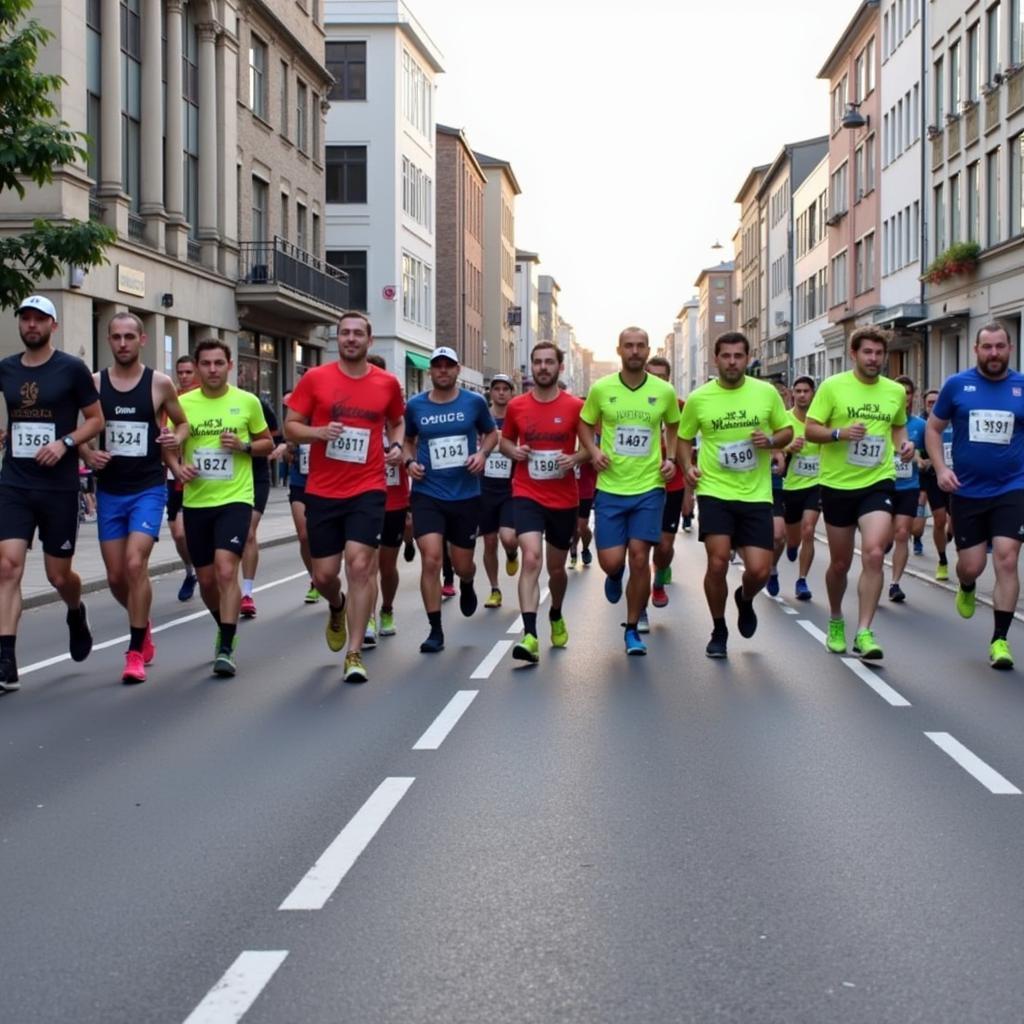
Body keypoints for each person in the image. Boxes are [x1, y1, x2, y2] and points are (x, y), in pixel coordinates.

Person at [285, 312, 405, 683]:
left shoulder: (387, 383)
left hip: (368, 488)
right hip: (322, 489)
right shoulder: (316, 378)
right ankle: (336, 605)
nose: (351, 339)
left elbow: (397, 420)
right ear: (337, 339)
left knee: (358, 565)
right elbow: (290, 426)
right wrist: (318, 432)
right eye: (344, 333)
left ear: (370, 341)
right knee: (323, 574)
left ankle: (354, 652)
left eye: (358, 334)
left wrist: (397, 444)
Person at [0, 295, 104, 690]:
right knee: (7, 566)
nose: (31, 325)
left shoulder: (71, 369)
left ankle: (75, 611)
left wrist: (64, 442)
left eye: (39, 320)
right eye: (25, 319)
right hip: (14, 482)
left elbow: (96, 420)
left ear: (52, 327)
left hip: (58, 485)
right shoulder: (6, 369)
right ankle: (6, 659)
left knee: (58, 575)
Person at [80, 312, 188, 684]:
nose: (122, 343)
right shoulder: (94, 383)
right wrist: (88, 455)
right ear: (108, 340)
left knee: (134, 563)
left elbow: (182, 421)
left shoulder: (159, 383)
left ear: (142, 340)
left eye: (129, 337)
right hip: (110, 490)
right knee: (114, 576)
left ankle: (134, 651)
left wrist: (176, 437)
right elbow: (82, 431)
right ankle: (143, 622)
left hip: (147, 487)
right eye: (116, 337)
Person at [678, 332, 791, 658]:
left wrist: (770, 441)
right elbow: (683, 439)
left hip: (756, 494)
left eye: (738, 356)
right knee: (717, 562)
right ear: (716, 359)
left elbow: (786, 432)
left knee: (759, 569)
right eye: (725, 356)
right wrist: (688, 467)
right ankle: (718, 628)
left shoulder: (766, 392)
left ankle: (744, 598)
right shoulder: (700, 398)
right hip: (715, 490)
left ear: (747, 358)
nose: (731, 362)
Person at [805, 326, 913, 660]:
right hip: (837, 484)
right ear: (854, 354)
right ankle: (836, 618)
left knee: (874, 553)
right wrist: (838, 433)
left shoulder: (894, 391)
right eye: (867, 353)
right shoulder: (833, 387)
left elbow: (897, 426)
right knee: (839, 564)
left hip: (877, 481)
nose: (874, 359)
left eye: (879, 354)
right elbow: (811, 429)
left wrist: (904, 444)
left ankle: (864, 631)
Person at [171, 339, 273, 677]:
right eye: (206, 364)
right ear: (197, 368)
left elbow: (267, 443)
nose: (212, 369)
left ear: (229, 365)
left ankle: (226, 647)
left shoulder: (247, 401)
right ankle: (223, 623)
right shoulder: (182, 404)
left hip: (235, 499)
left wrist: (243, 445)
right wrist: (176, 468)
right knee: (206, 580)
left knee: (226, 569)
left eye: (218, 363)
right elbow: (167, 445)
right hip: (197, 500)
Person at [925, 322, 1024, 670]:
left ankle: (999, 640)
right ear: (976, 350)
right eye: (987, 347)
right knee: (972, 565)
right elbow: (934, 430)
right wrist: (940, 469)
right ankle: (966, 584)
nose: (994, 353)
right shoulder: (957, 385)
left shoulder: (1021, 387)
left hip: (1013, 487)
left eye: (1000, 346)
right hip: (967, 490)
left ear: (1010, 348)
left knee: (1007, 560)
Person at [578, 326, 680, 656]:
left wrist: (673, 459)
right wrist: (593, 453)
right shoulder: (601, 389)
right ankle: (613, 573)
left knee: (640, 557)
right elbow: (583, 422)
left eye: (640, 346)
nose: (635, 351)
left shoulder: (663, 391)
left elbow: (674, 425)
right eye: (629, 346)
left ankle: (632, 628)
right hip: (610, 488)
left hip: (649, 488)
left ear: (648, 350)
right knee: (611, 562)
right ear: (619, 350)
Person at [403, 346, 499, 653]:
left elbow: (492, 433)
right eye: (437, 366)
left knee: (462, 565)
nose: (443, 371)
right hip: (427, 493)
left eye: (448, 366)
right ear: (430, 371)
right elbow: (406, 440)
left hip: (466, 495)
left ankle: (468, 581)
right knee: (430, 559)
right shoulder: (415, 405)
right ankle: (435, 630)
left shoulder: (474, 402)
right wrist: (409, 463)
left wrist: (482, 453)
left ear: (457, 370)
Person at [501, 342, 583, 663]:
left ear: (559, 367)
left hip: (563, 498)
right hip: (526, 493)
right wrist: (513, 451)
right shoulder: (517, 406)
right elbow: (505, 440)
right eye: (538, 362)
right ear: (531, 366)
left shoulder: (575, 406)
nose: (543, 367)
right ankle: (530, 635)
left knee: (556, 569)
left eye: (549, 362)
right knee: (531, 559)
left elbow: (593, 447)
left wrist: (574, 457)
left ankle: (557, 613)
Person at [365, 353, 409, 641]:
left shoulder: (399, 414)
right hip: (362, 497)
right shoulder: (353, 413)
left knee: (386, 566)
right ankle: (366, 617)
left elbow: (416, 447)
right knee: (363, 563)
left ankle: (387, 608)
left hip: (394, 499)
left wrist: (400, 454)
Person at [239, 395, 287, 619]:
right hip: (222, 483)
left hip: (256, 476)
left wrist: (251, 447)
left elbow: (275, 440)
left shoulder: (258, 404)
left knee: (248, 532)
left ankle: (247, 593)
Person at [645, 356, 685, 617]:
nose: (658, 381)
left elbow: (686, 448)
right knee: (639, 551)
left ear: (669, 380)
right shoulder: (633, 405)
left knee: (664, 547)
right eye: (653, 376)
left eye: (663, 377)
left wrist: (691, 493)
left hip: (672, 485)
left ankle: (658, 581)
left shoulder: (680, 407)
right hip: (642, 485)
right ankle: (639, 610)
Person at [479, 373, 519, 609]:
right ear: (491, 392)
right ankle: (495, 589)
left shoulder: (517, 417)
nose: (501, 392)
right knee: (490, 541)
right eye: (497, 388)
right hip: (485, 486)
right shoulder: (481, 418)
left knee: (508, 537)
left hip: (510, 486)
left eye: (506, 388)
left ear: (511, 392)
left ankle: (512, 553)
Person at [780, 375, 821, 601]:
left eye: (807, 391)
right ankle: (789, 548)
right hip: (791, 486)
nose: (803, 395)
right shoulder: (785, 420)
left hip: (816, 485)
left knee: (809, 530)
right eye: (798, 391)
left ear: (813, 394)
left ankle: (802, 580)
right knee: (792, 538)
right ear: (792, 394)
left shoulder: (821, 420)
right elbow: (772, 448)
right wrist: (789, 448)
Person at [888, 376, 927, 603]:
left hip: (908, 487)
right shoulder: (882, 422)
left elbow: (927, 455)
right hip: (881, 487)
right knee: (882, 540)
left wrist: (921, 460)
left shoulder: (920, 427)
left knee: (903, 533)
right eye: (899, 392)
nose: (903, 397)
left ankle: (895, 584)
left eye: (908, 393)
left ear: (912, 396)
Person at [281, 388, 319, 605]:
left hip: (324, 483)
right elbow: (287, 456)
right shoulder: (294, 422)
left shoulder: (324, 417)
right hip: (300, 482)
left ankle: (326, 575)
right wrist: (290, 450)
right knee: (304, 535)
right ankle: (314, 579)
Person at [166, 354, 199, 601]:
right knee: (178, 534)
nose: (184, 377)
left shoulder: (204, 398)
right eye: (181, 372)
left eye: (189, 372)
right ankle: (191, 572)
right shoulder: (171, 398)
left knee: (196, 532)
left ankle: (209, 570)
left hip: (201, 475)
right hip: (173, 474)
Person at [920, 387, 954, 581]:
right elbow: (919, 453)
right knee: (939, 519)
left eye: (936, 402)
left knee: (955, 522)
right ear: (925, 405)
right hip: (934, 479)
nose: (933, 405)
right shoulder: (924, 425)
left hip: (957, 478)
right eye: (929, 403)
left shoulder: (954, 420)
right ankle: (942, 561)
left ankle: (947, 538)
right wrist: (929, 461)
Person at [569, 455, 596, 568]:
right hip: (567, 492)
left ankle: (585, 549)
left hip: (585, 492)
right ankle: (573, 552)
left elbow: (597, 459)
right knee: (571, 527)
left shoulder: (589, 442)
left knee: (581, 527)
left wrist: (583, 458)